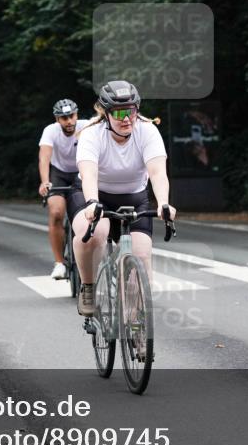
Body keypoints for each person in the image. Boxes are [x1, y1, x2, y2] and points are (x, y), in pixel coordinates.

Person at [69, 80, 176, 317]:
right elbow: (89, 174)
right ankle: (88, 287)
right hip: (95, 195)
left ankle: (134, 320)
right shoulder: (92, 134)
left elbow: (158, 173)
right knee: (93, 234)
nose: (126, 118)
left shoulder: (147, 131)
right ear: (106, 114)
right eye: (119, 113)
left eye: (132, 111)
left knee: (142, 255)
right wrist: (92, 202)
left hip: (134, 198)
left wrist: (163, 203)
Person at [38, 99, 89, 279]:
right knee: (56, 212)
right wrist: (45, 182)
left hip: (81, 171)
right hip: (58, 173)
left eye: (72, 116)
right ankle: (59, 263)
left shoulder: (86, 126)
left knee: (86, 211)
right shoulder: (50, 131)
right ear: (57, 119)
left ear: (77, 115)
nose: (69, 121)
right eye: (64, 118)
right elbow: (44, 158)